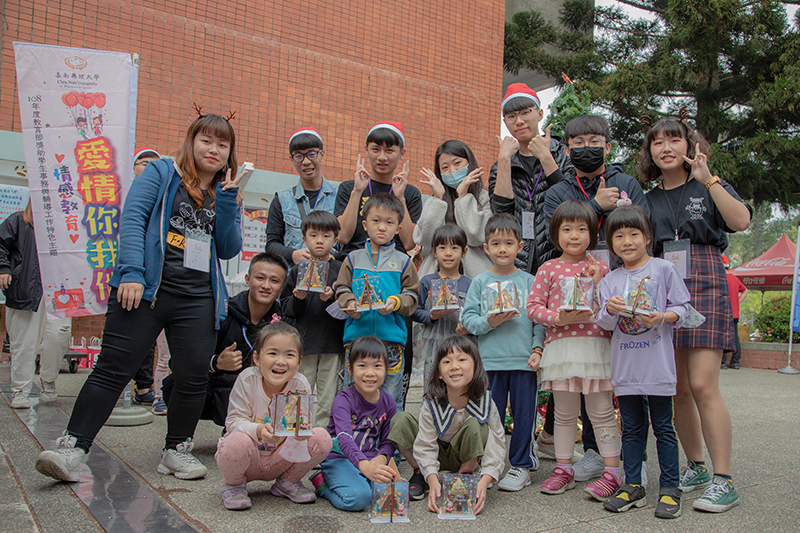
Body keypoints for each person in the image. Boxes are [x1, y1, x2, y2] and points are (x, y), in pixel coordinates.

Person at [35, 111, 245, 483]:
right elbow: (132, 220)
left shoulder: (225, 194)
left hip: (197, 298)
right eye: (206, 140)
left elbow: (228, 249)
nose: (213, 149)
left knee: (193, 376)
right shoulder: (162, 173)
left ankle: (176, 450)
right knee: (112, 369)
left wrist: (228, 203)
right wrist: (131, 272)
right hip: (146, 290)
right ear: (191, 141)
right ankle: (72, 448)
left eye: (222, 144)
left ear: (230, 153)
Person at [641, 114, 751, 513]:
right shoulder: (646, 198)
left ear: (690, 146)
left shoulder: (707, 185)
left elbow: (740, 220)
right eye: (658, 142)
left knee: (703, 385)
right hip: (662, 286)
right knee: (678, 389)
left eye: (674, 140)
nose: (666, 148)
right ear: (650, 151)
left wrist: (709, 179)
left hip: (705, 277)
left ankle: (724, 480)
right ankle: (697, 467)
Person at [538, 115, 649, 481]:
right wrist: (599, 207)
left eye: (595, 140)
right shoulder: (559, 189)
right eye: (579, 142)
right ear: (566, 150)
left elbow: (642, 229)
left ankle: (630, 461)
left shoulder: (625, 182)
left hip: (617, 289)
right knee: (573, 400)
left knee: (621, 389)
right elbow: (555, 222)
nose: (588, 147)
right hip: (570, 332)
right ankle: (585, 458)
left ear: (608, 144)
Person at [595, 206, 691, 519]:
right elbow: (605, 325)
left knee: (663, 428)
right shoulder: (609, 280)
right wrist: (609, 309)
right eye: (619, 236)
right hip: (626, 369)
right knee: (632, 429)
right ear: (611, 244)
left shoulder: (663, 269)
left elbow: (683, 308)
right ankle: (632, 485)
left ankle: (670, 488)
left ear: (647, 237)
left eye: (634, 234)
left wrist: (663, 316)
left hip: (658, 367)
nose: (627, 241)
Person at [526, 200, 621, 501]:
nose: (575, 235)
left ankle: (612, 472)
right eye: (567, 229)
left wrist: (597, 281)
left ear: (592, 233)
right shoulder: (548, 268)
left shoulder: (601, 267)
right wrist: (557, 319)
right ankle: (564, 469)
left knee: (602, 413)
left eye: (582, 229)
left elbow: (610, 307)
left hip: (595, 347)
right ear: (555, 234)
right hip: (562, 349)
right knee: (564, 415)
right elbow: (532, 308)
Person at [460, 213, 545, 491]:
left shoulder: (530, 281)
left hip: (523, 362)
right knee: (488, 416)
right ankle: (491, 463)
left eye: (509, 243)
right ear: (486, 248)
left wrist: (537, 348)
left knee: (523, 416)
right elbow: (468, 319)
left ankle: (521, 464)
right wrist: (489, 322)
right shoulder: (480, 282)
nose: (502, 249)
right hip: (490, 363)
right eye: (496, 244)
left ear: (520, 246)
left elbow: (538, 320)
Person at [215, 322, 332, 510]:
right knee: (235, 441)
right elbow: (233, 422)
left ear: (299, 361)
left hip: (281, 457)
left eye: (289, 355)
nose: (281, 361)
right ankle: (234, 486)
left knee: (321, 437)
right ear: (256, 358)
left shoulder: (300, 384)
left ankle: (288, 482)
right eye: (272, 353)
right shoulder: (247, 380)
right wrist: (259, 430)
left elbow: (303, 424)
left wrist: (300, 431)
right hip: (248, 457)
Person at [388, 335, 505, 513]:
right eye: (447, 361)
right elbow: (425, 442)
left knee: (477, 425)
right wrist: (433, 479)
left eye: (462, 359)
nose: (454, 366)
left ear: (476, 366)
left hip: (463, 456)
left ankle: (464, 476)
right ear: (439, 373)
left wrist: (485, 479)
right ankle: (421, 473)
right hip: (437, 453)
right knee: (400, 420)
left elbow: (496, 442)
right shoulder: (431, 402)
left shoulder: (485, 401)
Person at [334, 193, 420, 412]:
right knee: (354, 394)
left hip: (390, 340)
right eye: (376, 221)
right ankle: (353, 441)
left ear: (398, 229)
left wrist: (395, 302)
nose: (382, 227)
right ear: (365, 224)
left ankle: (390, 444)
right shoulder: (353, 258)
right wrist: (350, 302)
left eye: (389, 222)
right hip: (357, 339)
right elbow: (341, 288)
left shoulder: (403, 261)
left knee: (391, 397)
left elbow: (412, 296)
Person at [489, 83, 573, 274]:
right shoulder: (502, 163)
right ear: (505, 121)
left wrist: (546, 157)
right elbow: (501, 212)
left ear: (540, 114)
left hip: (558, 255)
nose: (519, 121)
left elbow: (570, 203)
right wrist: (504, 160)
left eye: (525, 112)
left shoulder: (561, 153)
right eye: (511, 116)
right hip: (517, 262)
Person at [309, 336, 397, 511]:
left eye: (377, 366)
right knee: (359, 499)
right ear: (350, 369)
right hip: (340, 458)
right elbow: (344, 439)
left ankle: (359, 478)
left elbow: (388, 441)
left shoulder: (388, 402)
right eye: (362, 365)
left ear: (386, 369)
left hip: (370, 458)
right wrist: (365, 466)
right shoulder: (343, 400)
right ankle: (323, 486)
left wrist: (381, 458)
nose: (370, 373)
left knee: (392, 496)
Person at [0, 201, 71, 408]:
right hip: (25, 290)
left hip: (60, 292)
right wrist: (3, 268)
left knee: (59, 336)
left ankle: (48, 378)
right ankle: (21, 389)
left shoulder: (67, 223)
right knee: (24, 342)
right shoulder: (18, 221)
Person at [205, 252, 288, 427]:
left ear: (282, 287)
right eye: (260, 278)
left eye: (274, 281)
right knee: (176, 383)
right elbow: (186, 360)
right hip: (220, 387)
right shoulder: (223, 312)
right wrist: (217, 362)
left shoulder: (282, 323)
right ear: (247, 279)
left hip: (262, 390)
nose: (266, 286)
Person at [280, 211, 345, 427]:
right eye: (314, 235)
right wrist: (298, 298)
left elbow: (347, 306)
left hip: (332, 343)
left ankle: (321, 441)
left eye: (326, 236)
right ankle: (295, 435)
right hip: (304, 344)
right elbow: (286, 310)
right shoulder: (297, 271)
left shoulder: (341, 270)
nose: (319, 240)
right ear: (304, 238)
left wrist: (331, 298)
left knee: (328, 399)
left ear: (335, 239)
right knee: (299, 394)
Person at [334, 121, 421, 256]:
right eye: (375, 149)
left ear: (402, 153)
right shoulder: (349, 188)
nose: (382, 157)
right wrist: (357, 192)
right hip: (353, 264)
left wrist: (400, 198)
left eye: (389, 150)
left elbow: (409, 243)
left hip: (392, 267)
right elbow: (343, 237)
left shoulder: (410, 193)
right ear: (366, 150)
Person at [129, 147, 171, 413]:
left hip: (167, 288)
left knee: (166, 352)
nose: (148, 169)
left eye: (155, 165)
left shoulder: (168, 202)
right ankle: (142, 389)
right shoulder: (131, 200)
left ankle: (157, 394)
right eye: (143, 164)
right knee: (136, 346)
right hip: (134, 286)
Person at [415, 140, 492, 278]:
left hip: (475, 275)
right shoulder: (436, 199)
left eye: (457, 163)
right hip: (437, 273)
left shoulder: (483, 197)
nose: (452, 171)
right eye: (445, 168)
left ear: (469, 163)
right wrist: (438, 198)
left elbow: (478, 236)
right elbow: (425, 239)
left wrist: (463, 197)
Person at [411, 224, 472, 390]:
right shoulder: (427, 282)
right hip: (433, 347)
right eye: (442, 247)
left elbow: (475, 315)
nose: (448, 253)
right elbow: (414, 312)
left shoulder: (470, 285)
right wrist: (431, 316)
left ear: (464, 251)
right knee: (433, 387)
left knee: (461, 390)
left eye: (454, 247)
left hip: (462, 346)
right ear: (434, 252)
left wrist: (468, 325)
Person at [266, 128, 339, 265]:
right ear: (291, 159)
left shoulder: (340, 197)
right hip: (292, 280)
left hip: (329, 280)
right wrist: (292, 254)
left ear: (322, 154)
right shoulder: (281, 199)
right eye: (298, 156)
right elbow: (271, 244)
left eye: (312, 154)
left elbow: (347, 242)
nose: (305, 162)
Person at [721, 257, 748, 369]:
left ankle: (722, 362)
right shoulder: (735, 279)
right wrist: (738, 301)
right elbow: (745, 291)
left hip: (723, 312)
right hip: (734, 312)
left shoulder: (720, 279)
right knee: (735, 337)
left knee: (722, 336)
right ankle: (735, 361)